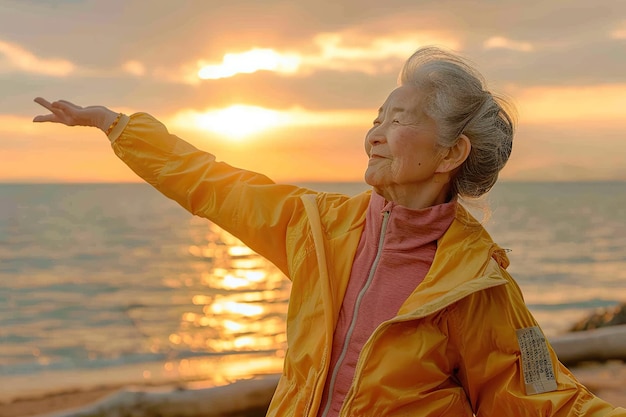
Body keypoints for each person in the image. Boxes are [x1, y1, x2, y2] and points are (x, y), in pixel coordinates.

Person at [33, 46, 626, 416]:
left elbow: (545, 399)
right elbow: (212, 184)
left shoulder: (478, 287)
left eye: (397, 120)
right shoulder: (315, 226)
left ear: (452, 154)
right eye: (375, 117)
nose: (373, 132)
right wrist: (116, 126)